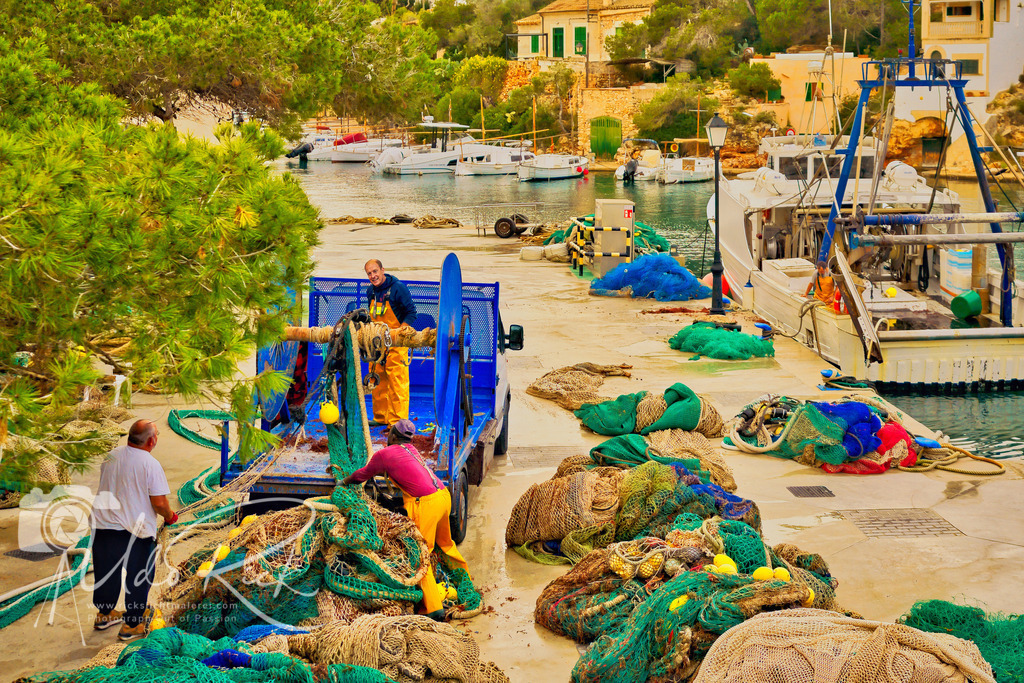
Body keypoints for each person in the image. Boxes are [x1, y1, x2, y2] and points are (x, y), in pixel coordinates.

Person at [342, 420, 470, 621]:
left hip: (426, 504)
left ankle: (434, 608)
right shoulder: (412, 449)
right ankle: (464, 581)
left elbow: (363, 475)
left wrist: (344, 481)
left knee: (421, 554)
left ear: (392, 435)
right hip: (443, 496)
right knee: (445, 543)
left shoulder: (384, 454)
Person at [91, 419, 177, 641]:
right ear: (151, 440)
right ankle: (132, 624)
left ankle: (105, 613)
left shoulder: (111, 456)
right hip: (135, 532)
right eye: (157, 434)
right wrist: (170, 516)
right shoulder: (150, 464)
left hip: (103, 525)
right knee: (138, 577)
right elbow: (159, 503)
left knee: (106, 572)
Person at [365, 259, 417, 426]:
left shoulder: (398, 288)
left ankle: (397, 422)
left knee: (397, 383)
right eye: (369, 273)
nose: (373, 276)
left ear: (382, 270)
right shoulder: (370, 292)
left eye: (375, 271)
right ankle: (380, 417)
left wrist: (399, 333)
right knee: (376, 380)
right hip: (377, 344)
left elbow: (411, 313)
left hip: (396, 344)